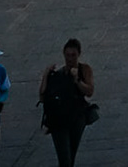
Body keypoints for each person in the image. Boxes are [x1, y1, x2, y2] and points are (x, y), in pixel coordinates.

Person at [37, 38, 96, 167]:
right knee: (64, 158)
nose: (70, 59)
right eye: (68, 55)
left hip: (76, 118)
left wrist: (77, 80)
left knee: (71, 154)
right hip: (59, 120)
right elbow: (42, 96)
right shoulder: (58, 74)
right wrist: (46, 76)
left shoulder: (84, 69)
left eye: (73, 55)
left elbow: (89, 91)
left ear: (78, 54)